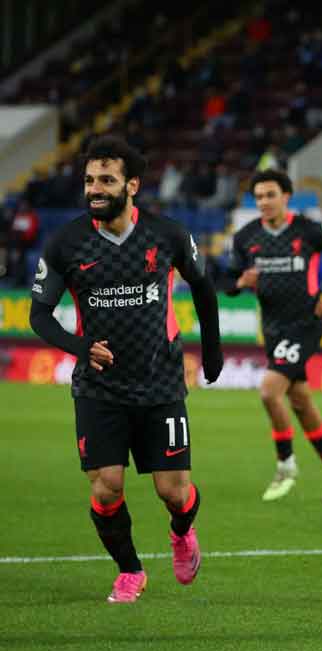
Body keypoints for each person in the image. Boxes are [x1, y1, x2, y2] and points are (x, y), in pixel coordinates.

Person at [29, 135, 224, 603]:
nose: (95, 188)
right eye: (90, 180)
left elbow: (204, 286)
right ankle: (130, 570)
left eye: (106, 180)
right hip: (99, 389)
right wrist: (80, 347)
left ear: (132, 185)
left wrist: (212, 352)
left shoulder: (168, 234)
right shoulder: (65, 244)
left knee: (175, 494)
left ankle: (181, 534)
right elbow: (39, 315)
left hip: (161, 383)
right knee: (107, 486)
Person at [223, 169, 322, 503]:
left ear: (286, 197)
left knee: (269, 392)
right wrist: (240, 284)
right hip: (272, 329)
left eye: (271, 195)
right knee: (299, 400)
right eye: (259, 197)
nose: (265, 202)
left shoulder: (309, 230)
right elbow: (227, 281)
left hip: (305, 324)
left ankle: (286, 465)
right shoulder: (246, 237)